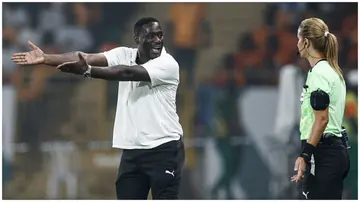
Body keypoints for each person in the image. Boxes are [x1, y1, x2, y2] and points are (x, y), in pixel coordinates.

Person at [11, 17, 185, 200]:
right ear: (137, 38)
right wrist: (46, 58)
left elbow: (127, 73)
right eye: (150, 36)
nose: (157, 40)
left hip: (164, 149)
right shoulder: (125, 54)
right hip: (133, 151)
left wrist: (88, 71)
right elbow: (85, 57)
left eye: (160, 35)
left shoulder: (168, 64)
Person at [291, 18, 350, 199]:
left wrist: (305, 155)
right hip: (333, 151)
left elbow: (322, 119)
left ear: (306, 42)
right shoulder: (332, 70)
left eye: (299, 39)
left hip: (322, 153)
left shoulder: (319, 73)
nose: (297, 43)